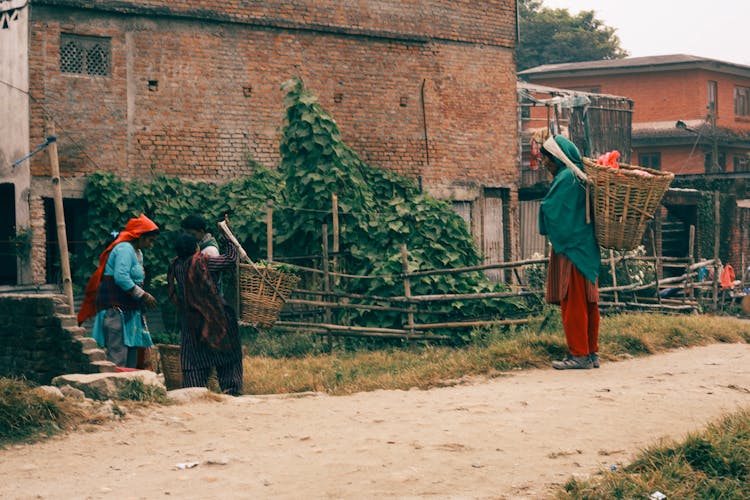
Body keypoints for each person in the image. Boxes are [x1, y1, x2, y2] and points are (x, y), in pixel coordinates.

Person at [539, 135, 601, 370]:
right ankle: (591, 352)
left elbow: (552, 209)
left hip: (572, 249)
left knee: (573, 301)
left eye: (546, 159)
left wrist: (543, 208)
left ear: (557, 157)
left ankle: (579, 355)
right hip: (587, 249)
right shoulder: (577, 176)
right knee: (589, 302)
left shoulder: (566, 178)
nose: (545, 163)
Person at [78, 214, 160, 368]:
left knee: (132, 352)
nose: (151, 245)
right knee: (118, 353)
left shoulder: (138, 252)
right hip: (116, 310)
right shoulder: (124, 249)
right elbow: (121, 277)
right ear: (139, 236)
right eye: (150, 240)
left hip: (130, 310)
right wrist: (143, 295)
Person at [167, 231, 243, 395]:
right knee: (228, 355)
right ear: (196, 248)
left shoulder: (176, 266)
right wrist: (228, 240)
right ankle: (231, 391)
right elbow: (230, 259)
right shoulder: (203, 263)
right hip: (215, 317)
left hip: (191, 321)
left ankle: (193, 392)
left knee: (193, 360)